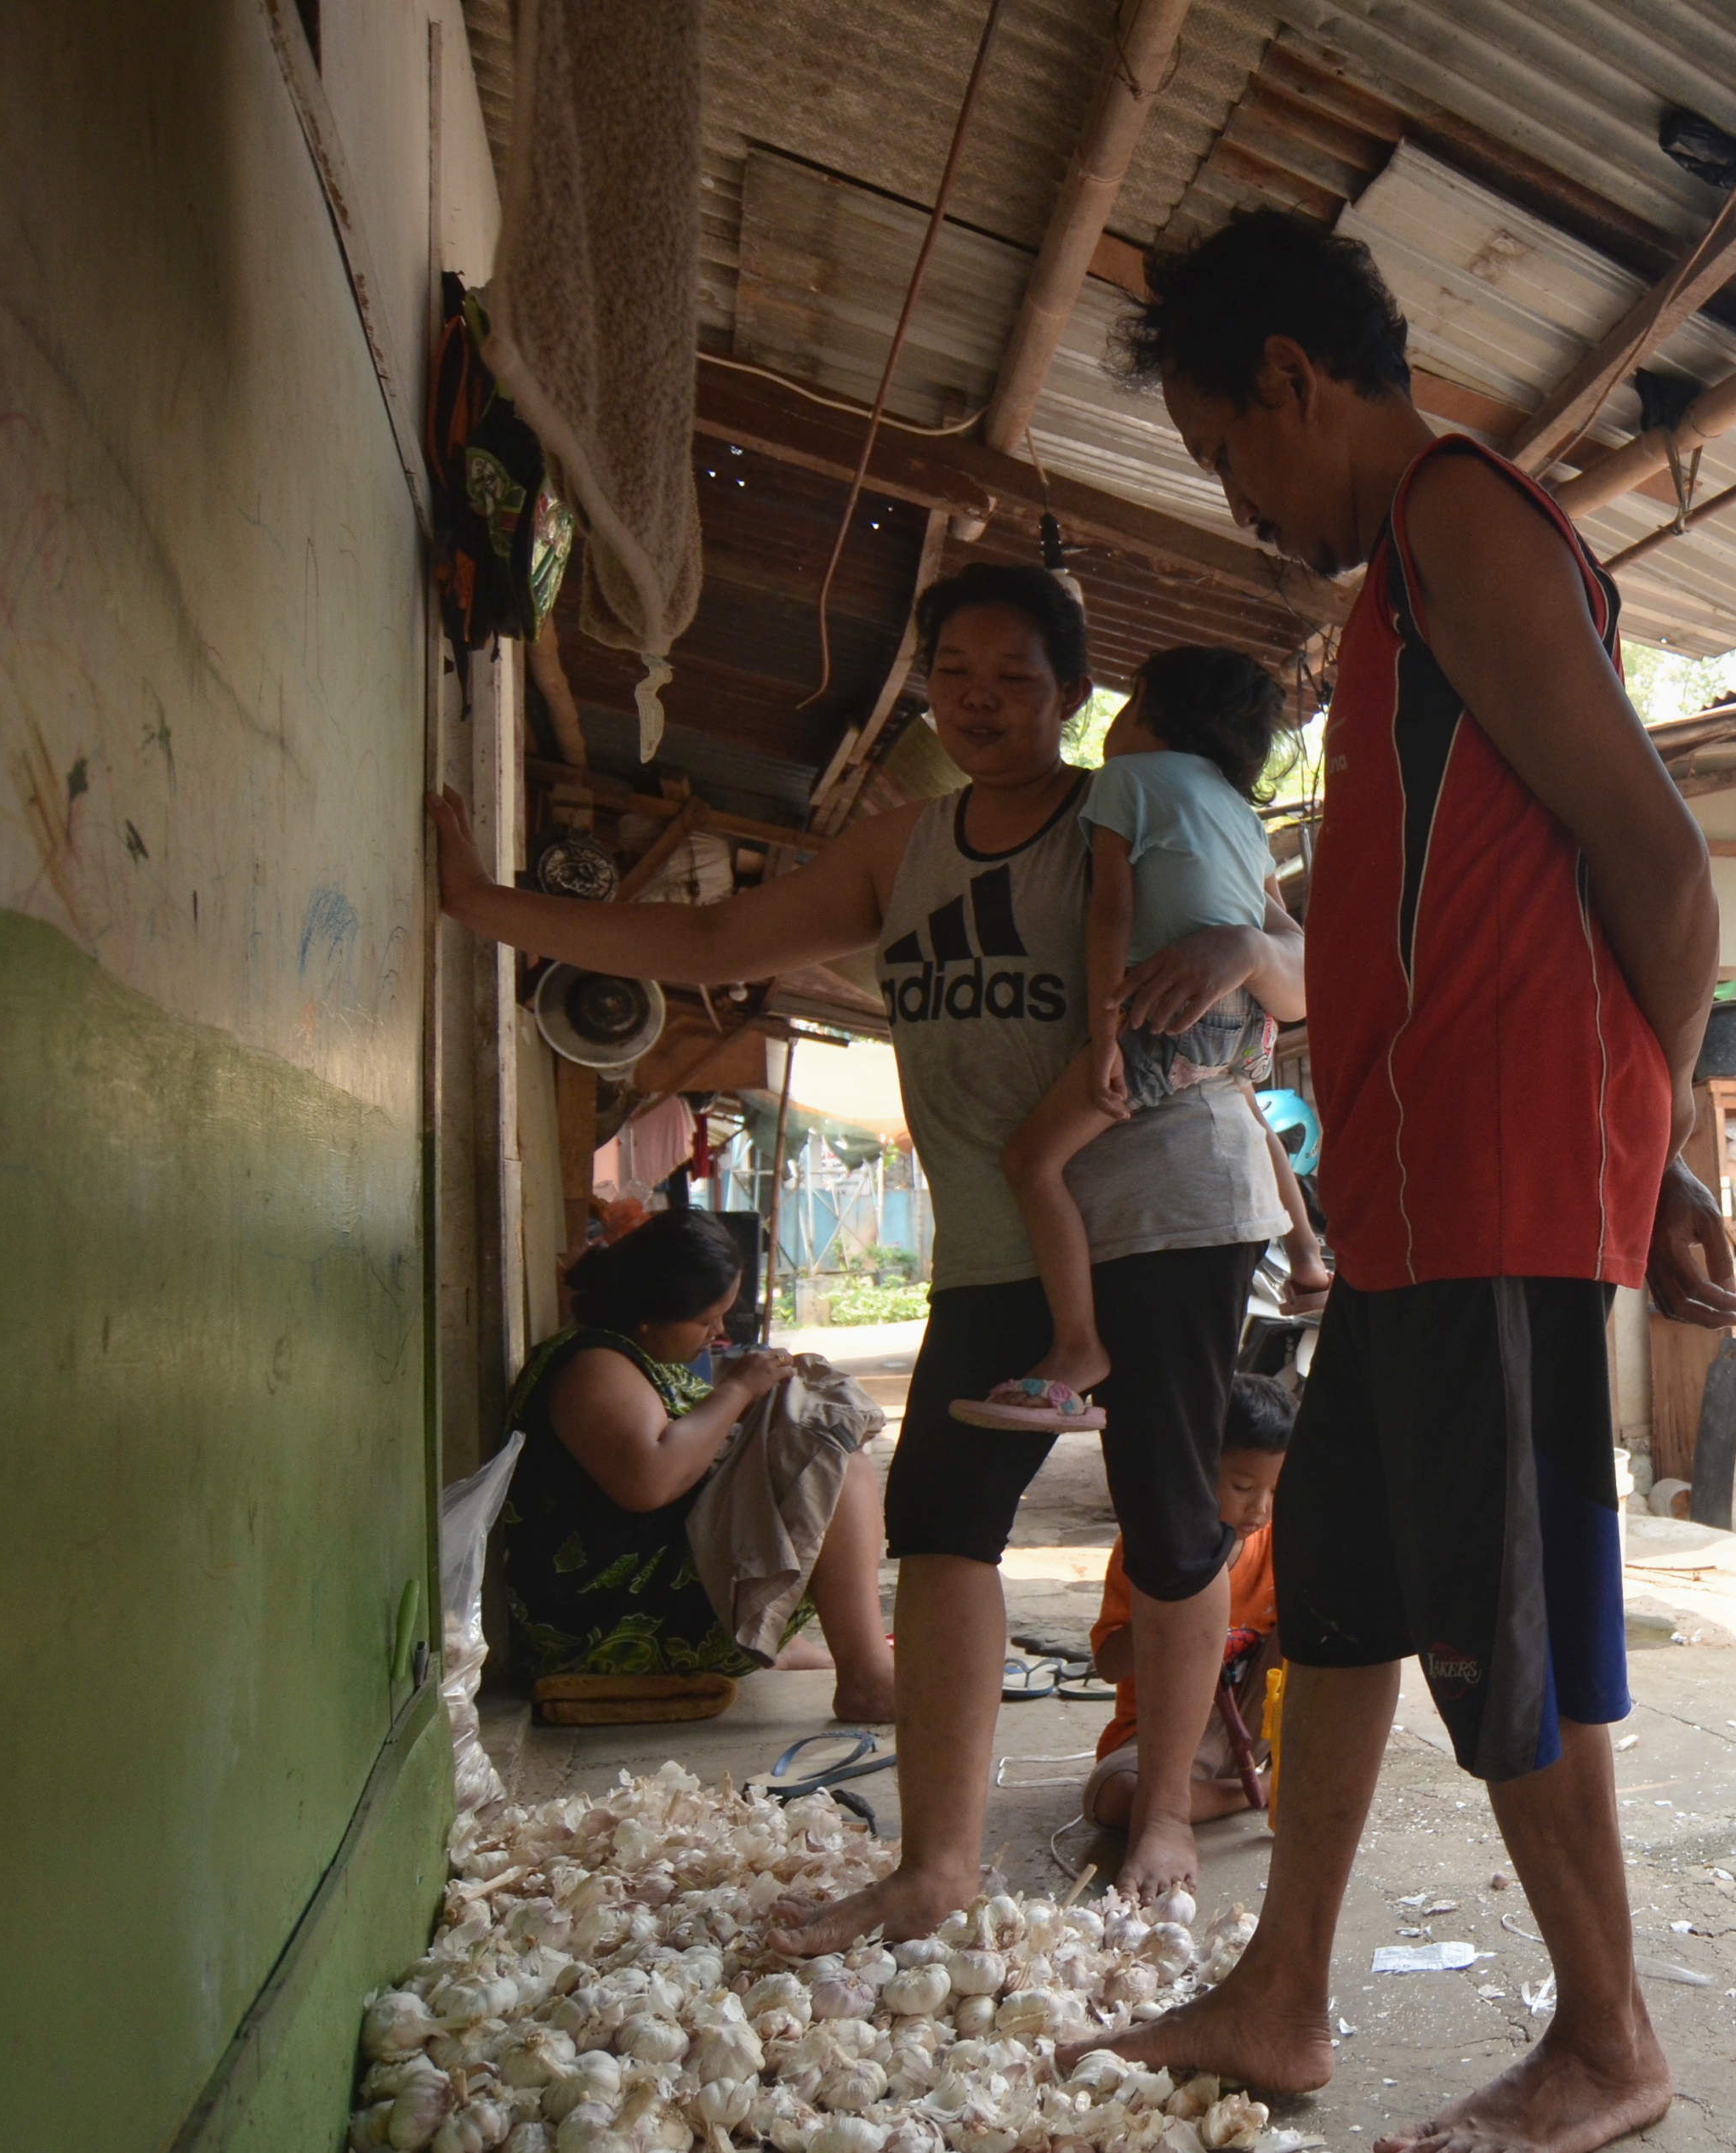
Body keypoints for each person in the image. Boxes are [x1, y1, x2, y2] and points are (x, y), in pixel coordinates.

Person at [1073, 208, 1736, 2153]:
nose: (1241, 500)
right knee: (1348, 1597)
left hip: (1496, 1189)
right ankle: (1283, 1992)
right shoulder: (1389, 602)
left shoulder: (1461, 523)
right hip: (1411, 1211)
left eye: (1226, 454)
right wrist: (1668, 1144)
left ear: (1291, 380)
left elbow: (1661, 867)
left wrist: (1636, 1153)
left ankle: (1609, 2039)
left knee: (1486, 1626)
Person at [430, 561, 1301, 1939]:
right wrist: (489, 910)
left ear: (1075, 697)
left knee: (1172, 1510)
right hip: (994, 1232)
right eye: (954, 672)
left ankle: (1169, 1818)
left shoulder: (1135, 802)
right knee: (944, 1519)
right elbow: (715, 932)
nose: (980, 700)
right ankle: (934, 1867)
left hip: (1170, 1206)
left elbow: (1299, 971)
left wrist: (1251, 938)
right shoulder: (907, 848)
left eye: (1016, 676)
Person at [954, 647, 1313, 1434]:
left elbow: (1110, 911)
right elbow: (1275, 946)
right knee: (1250, 1108)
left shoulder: (1124, 783)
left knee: (1030, 1159)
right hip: (1239, 1023)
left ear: (1147, 705)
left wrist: (1104, 1031)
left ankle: (1077, 1346)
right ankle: (1311, 1259)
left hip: (1159, 1003)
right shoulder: (1243, 815)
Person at [501, 1208, 896, 1719]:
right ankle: (866, 1677)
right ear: (651, 1314)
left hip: (634, 1589)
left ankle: (825, 1654)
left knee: (822, 1437)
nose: (719, 1332)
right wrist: (735, 1391)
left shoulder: (627, 1355)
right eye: (706, 1320)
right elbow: (650, 1480)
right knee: (835, 1464)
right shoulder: (592, 1365)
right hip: (601, 1619)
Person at [1080, 1372, 1292, 1829]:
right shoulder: (1149, 1552)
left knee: (1312, 1618)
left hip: (1253, 1724)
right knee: (1114, 1799)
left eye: (1274, 1490)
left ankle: (1262, 1780)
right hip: (1164, 1737)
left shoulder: (1280, 1545)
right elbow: (1110, 1666)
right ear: (1198, 1467)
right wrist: (1174, 1611)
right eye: (1241, 1487)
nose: (1260, 1509)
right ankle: (1255, 1794)